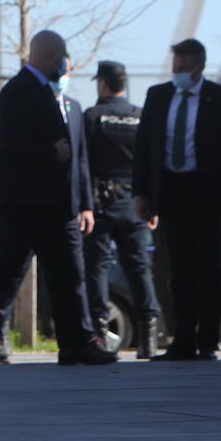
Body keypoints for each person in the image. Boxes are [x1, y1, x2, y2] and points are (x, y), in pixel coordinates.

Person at [0, 31, 116, 367]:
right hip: (28, 205)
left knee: (68, 275)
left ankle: (75, 343)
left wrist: (82, 201)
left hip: (59, 206)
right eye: (61, 55)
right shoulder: (19, 92)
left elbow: (79, 159)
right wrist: (51, 152)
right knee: (5, 270)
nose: (64, 61)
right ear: (49, 55)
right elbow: (13, 150)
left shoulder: (57, 97)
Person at [133, 39, 221, 362]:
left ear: (198, 68)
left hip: (207, 194)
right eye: (174, 68)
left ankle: (208, 338)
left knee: (209, 268)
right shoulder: (158, 97)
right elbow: (144, 149)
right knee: (179, 270)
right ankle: (182, 339)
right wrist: (141, 193)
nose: (177, 73)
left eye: (183, 68)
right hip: (171, 192)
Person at [83, 60, 160, 358]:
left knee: (98, 267)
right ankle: (149, 337)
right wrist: (153, 203)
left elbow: (84, 165)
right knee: (139, 268)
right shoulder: (140, 117)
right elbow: (153, 161)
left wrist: (85, 205)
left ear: (102, 84)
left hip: (101, 204)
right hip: (136, 203)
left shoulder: (93, 117)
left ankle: (100, 333)